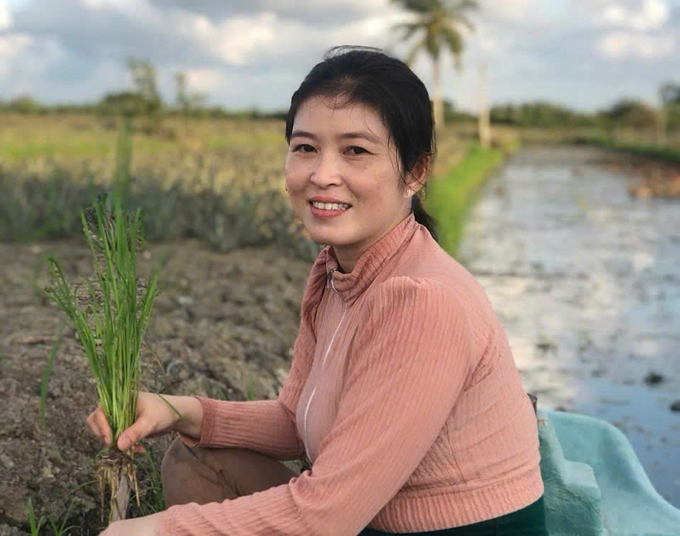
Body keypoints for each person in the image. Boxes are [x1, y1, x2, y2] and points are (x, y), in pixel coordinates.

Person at [87, 46, 547, 535]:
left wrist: (155, 531)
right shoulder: (336, 273)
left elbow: (326, 516)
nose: (322, 175)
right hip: (370, 519)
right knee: (201, 458)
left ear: (415, 172)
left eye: (356, 151)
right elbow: (298, 419)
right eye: (305, 147)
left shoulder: (423, 300)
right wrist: (180, 411)